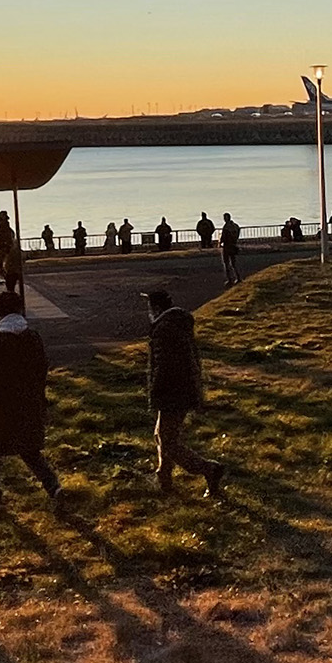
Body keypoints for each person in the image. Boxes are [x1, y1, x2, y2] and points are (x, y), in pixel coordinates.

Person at [0, 291, 61, 507]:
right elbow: (42, 368)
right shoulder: (32, 337)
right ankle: (52, 485)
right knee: (29, 449)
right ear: (21, 310)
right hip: (28, 401)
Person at [144, 289, 225, 497]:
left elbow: (163, 366)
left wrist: (155, 390)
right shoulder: (178, 323)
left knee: (168, 441)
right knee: (161, 435)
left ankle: (208, 469)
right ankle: (164, 478)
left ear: (156, 308)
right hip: (184, 388)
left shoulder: (164, 329)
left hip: (172, 392)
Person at [219, 213, 242, 285]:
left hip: (227, 246)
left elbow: (223, 237)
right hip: (233, 245)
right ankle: (238, 277)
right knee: (233, 263)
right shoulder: (235, 226)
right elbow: (238, 231)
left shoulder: (226, 227)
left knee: (226, 263)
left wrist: (220, 243)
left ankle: (229, 279)